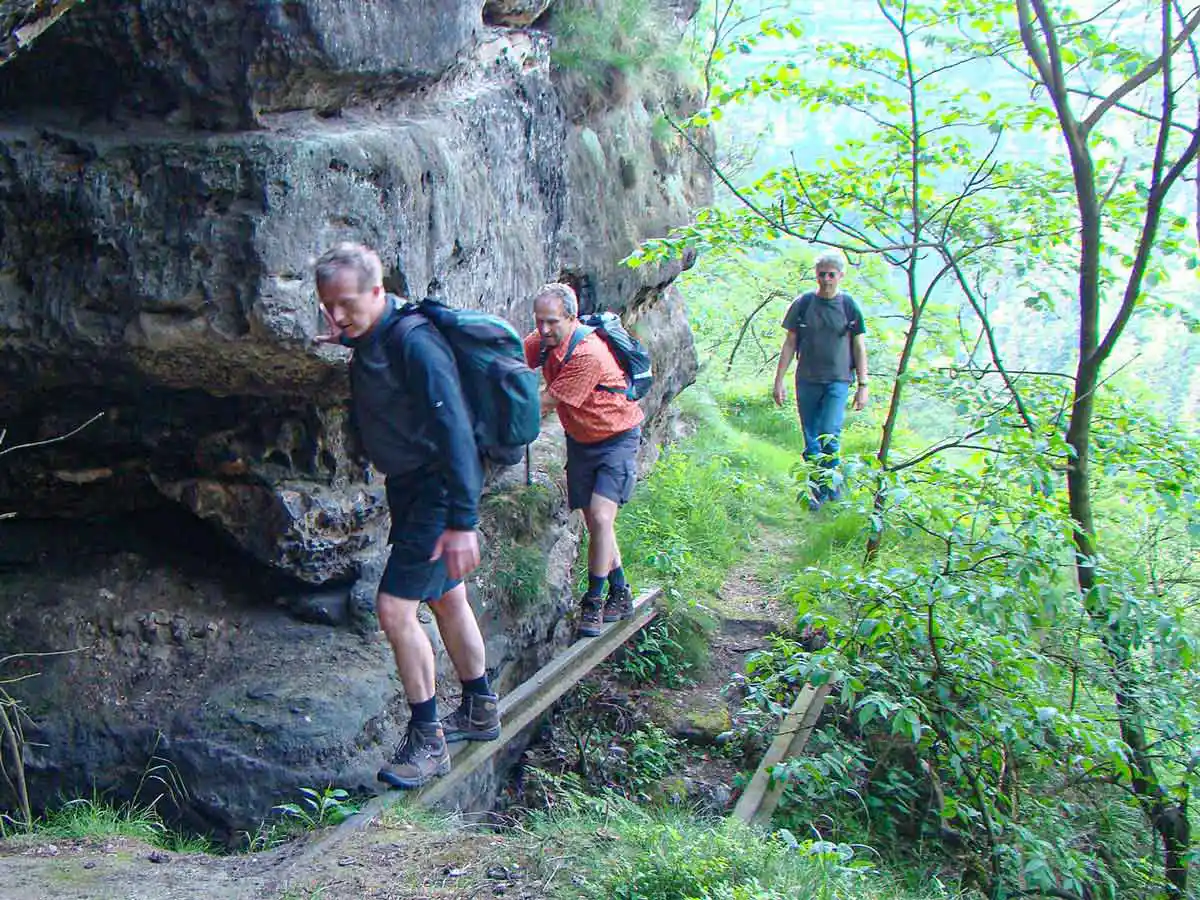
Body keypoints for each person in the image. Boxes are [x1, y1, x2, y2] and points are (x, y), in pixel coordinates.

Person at [314, 242, 499, 790]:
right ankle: (480, 707)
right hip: (413, 487)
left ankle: (428, 741)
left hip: (439, 488)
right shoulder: (374, 334)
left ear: (378, 291)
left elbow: (457, 431)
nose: (338, 316)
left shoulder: (415, 342)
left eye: (346, 303)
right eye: (328, 307)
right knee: (447, 597)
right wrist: (347, 334)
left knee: (394, 609)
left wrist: (463, 520)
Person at [523, 283, 643, 638]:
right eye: (539, 321)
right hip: (582, 441)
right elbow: (513, 358)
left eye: (552, 322)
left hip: (616, 438)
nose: (543, 330)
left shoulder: (588, 354)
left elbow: (545, 403)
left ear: (572, 318)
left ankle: (593, 599)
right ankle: (620, 590)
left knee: (603, 516)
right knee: (595, 522)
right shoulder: (542, 340)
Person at [772, 252, 869, 509]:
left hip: (838, 380)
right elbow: (790, 343)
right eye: (821, 274)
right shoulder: (803, 304)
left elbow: (859, 346)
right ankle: (817, 490)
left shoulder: (849, 306)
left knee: (830, 433)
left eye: (831, 274)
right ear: (816, 275)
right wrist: (778, 380)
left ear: (840, 276)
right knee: (811, 438)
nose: (826, 279)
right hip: (807, 380)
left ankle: (830, 487)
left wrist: (863, 385)